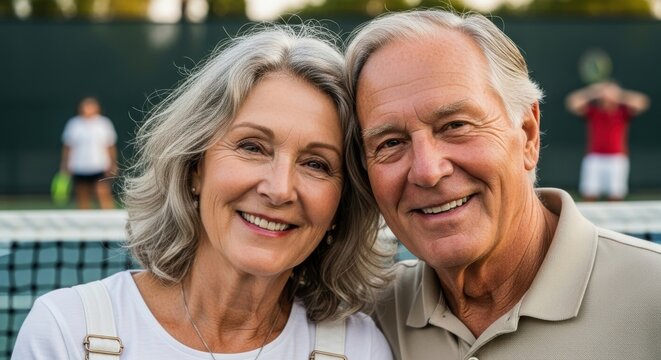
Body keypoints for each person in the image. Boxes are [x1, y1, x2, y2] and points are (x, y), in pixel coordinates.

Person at [13, 25, 393, 359]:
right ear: (195, 166)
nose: (279, 190)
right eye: (252, 147)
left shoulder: (359, 348)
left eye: (316, 164)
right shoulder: (66, 331)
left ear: (340, 205)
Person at [345, 9, 661, 359]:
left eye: (456, 125)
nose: (427, 170)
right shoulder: (359, 321)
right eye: (390, 143)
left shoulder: (654, 298)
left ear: (527, 135)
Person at [565, 80, 649, 201]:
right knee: (589, 195)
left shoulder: (623, 111)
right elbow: (572, 102)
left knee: (616, 196)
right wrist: (594, 92)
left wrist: (619, 95)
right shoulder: (593, 111)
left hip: (617, 159)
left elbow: (642, 102)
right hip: (594, 158)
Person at [60, 96, 118, 209]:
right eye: (85, 106)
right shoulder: (74, 124)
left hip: (99, 165)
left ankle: (110, 220)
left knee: (103, 192)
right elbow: (68, 146)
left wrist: (112, 163)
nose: (88, 108)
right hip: (79, 166)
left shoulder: (104, 123)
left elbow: (110, 146)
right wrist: (65, 163)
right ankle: (83, 224)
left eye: (91, 106)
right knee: (82, 195)